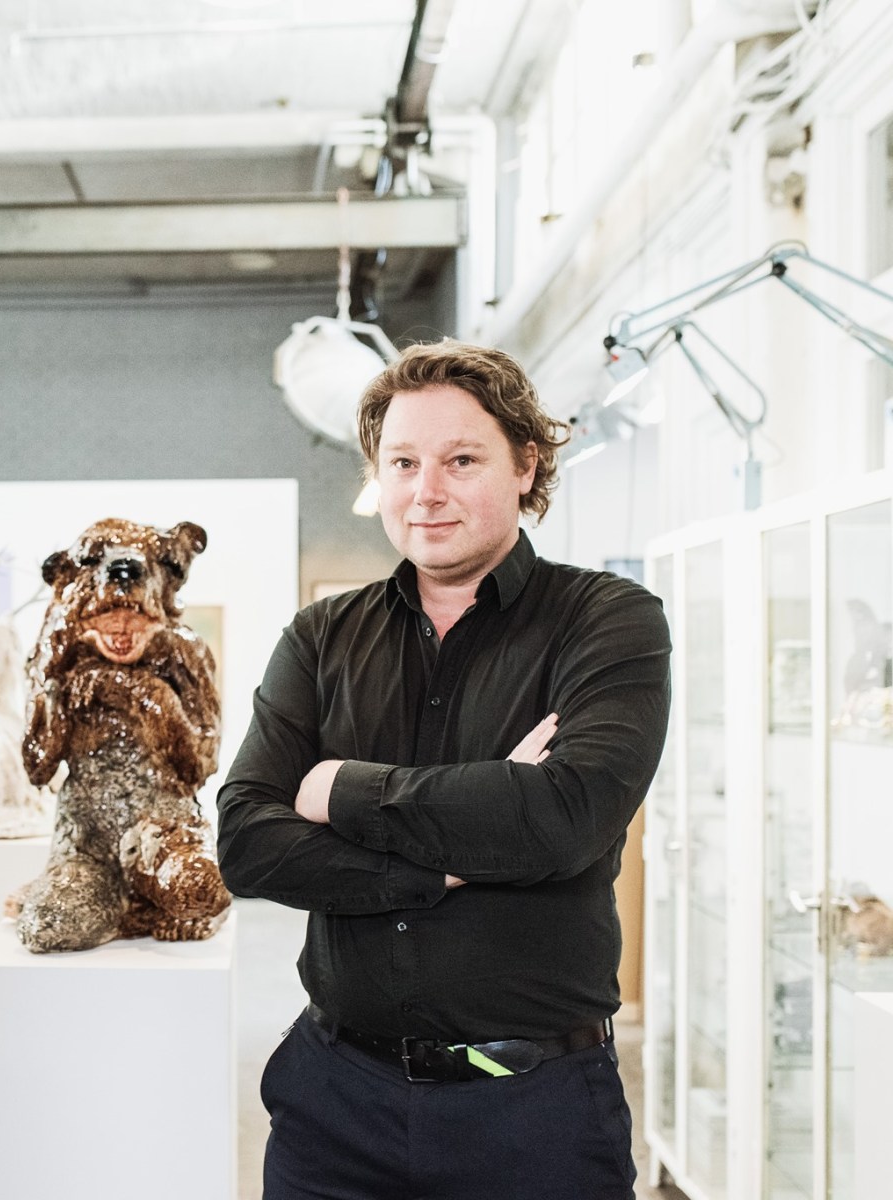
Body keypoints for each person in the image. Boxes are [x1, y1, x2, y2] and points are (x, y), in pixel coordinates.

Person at [217, 340, 670, 1199]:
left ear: (525, 464)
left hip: (535, 1115)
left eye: (461, 460)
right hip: (334, 1104)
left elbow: (565, 816)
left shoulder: (606, 620)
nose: (426, 491)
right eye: (403, 463)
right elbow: (246, 843)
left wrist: (338, 788)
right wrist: (455, 859)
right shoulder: (320, 637)